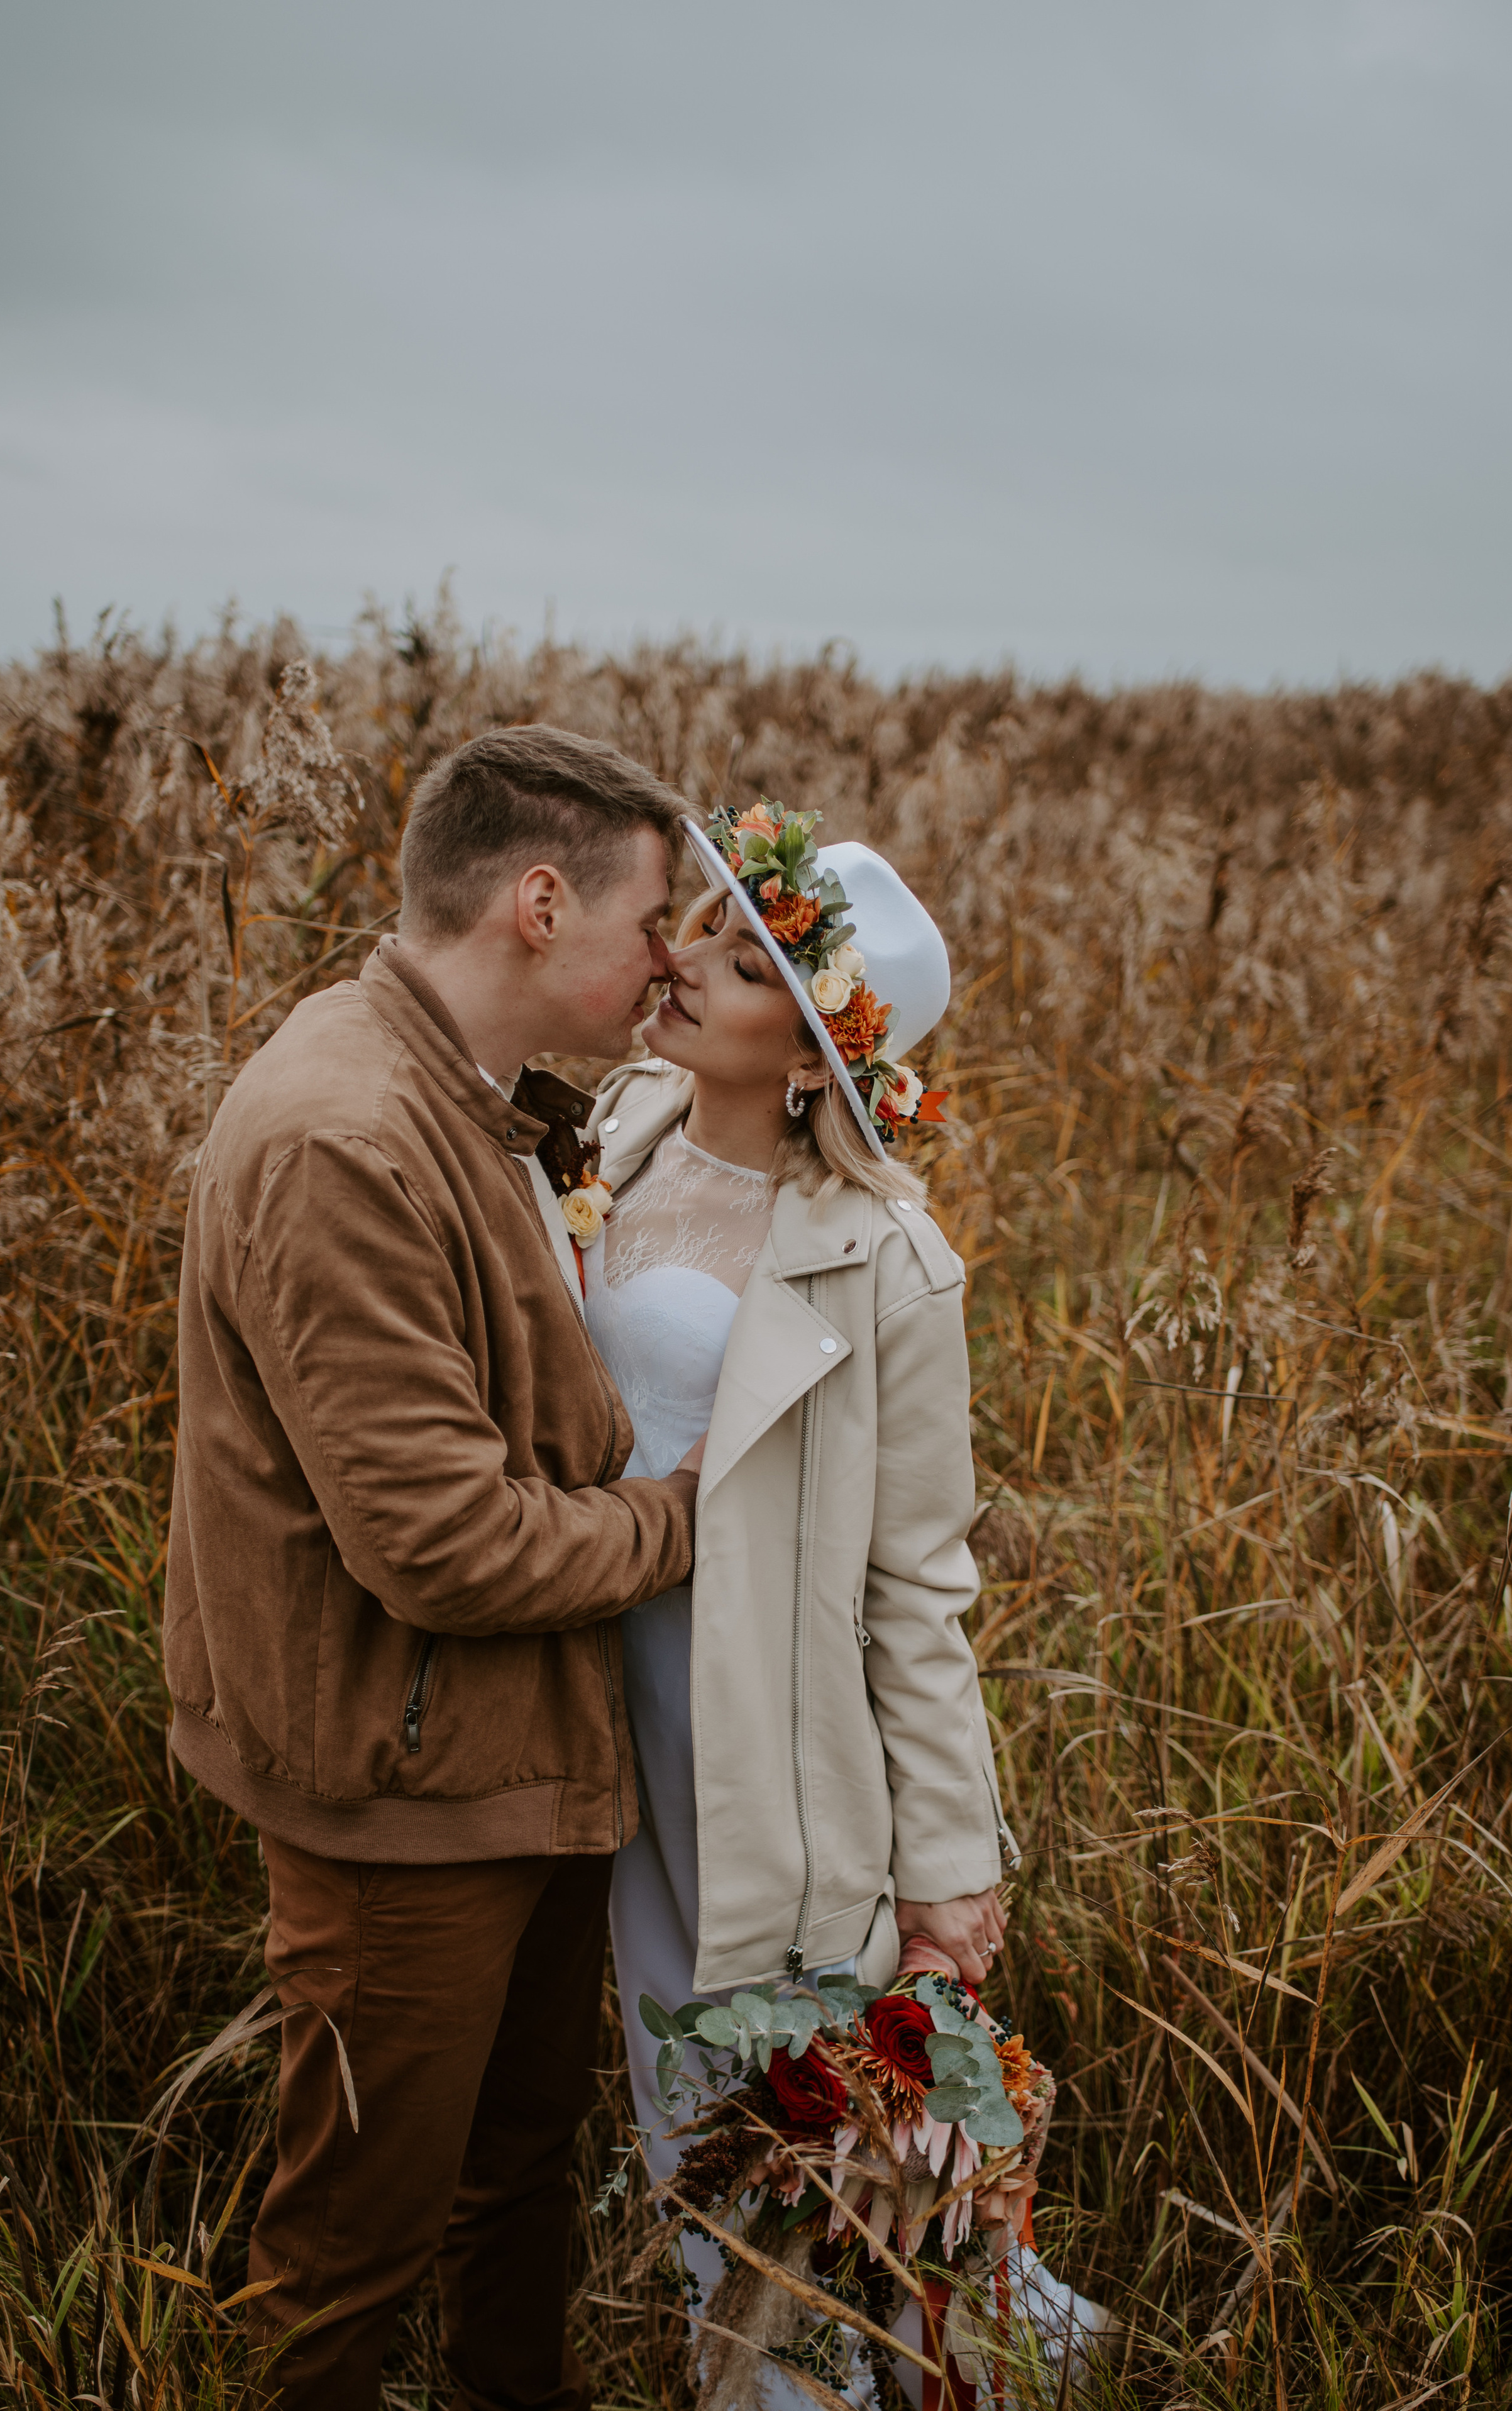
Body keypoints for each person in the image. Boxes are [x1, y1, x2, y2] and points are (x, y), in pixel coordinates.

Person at [163, 724, 705, 2411]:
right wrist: (703, 1517)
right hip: (402, 1794)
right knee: (351, 2255)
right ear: (540, 903)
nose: (672, 960)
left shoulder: (480, 1100)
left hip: (509, 1758)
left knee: (511, 2178)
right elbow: (446, 1544)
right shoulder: (345, 1133)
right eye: (655, 920)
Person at [576, 801, 1112, 2395]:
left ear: (812, 1052)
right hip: (605, 1684)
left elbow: (915, 1583)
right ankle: (753, 2364)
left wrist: (948, 1871)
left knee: (805, 2092)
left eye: (735, 965)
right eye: (704, 931)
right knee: (670, 2061)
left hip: (775, 1736)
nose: (675, 964)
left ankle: (895, 2360)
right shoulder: (612, 1130)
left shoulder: (884, 1257)